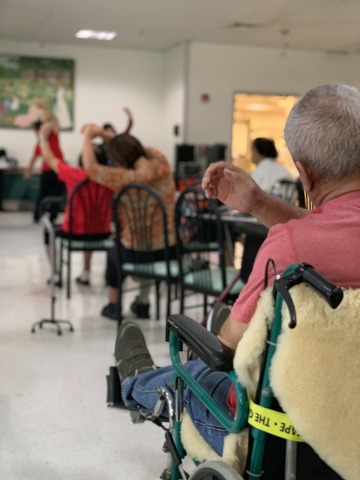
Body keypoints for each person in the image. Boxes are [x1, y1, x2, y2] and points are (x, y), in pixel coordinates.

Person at [115, 83, 360, 456]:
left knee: (200, 370)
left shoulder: (290, 249)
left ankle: (135, 385)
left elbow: (227, 349)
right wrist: (259, 204)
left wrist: (227, 333)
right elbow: (341, 227)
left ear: (304, 175)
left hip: (286, 440)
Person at [80, 124, 177, 320]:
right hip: (168, 250)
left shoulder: (125, 178)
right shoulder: (162, 164)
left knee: (114, 252)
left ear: (119, 160)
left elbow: (90, 168)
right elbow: (140, 151)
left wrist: (89, 136)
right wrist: (111, 137)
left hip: (135, 253)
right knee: (149, 248)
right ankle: (143, 302)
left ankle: (114, 305)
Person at [37, 122, 114, 287]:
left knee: (47, 231)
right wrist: (102, 134)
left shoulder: (74, 174)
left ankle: (56, 275)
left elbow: (50, 160)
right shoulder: (110, 177)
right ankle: (86, 272)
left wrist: (43, 139)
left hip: (72, 232)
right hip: (102, 233)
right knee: (92, 224)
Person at [24, 105, 66, 223]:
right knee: (43, 194)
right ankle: (38, 216)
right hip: (46, 171)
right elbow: (34, 157)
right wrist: (28, 170)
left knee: (57, 195)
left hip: (59, 170)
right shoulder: (40, 142)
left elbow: (56, 121)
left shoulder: (54, 135)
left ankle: (53, 216)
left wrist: (47, 110)